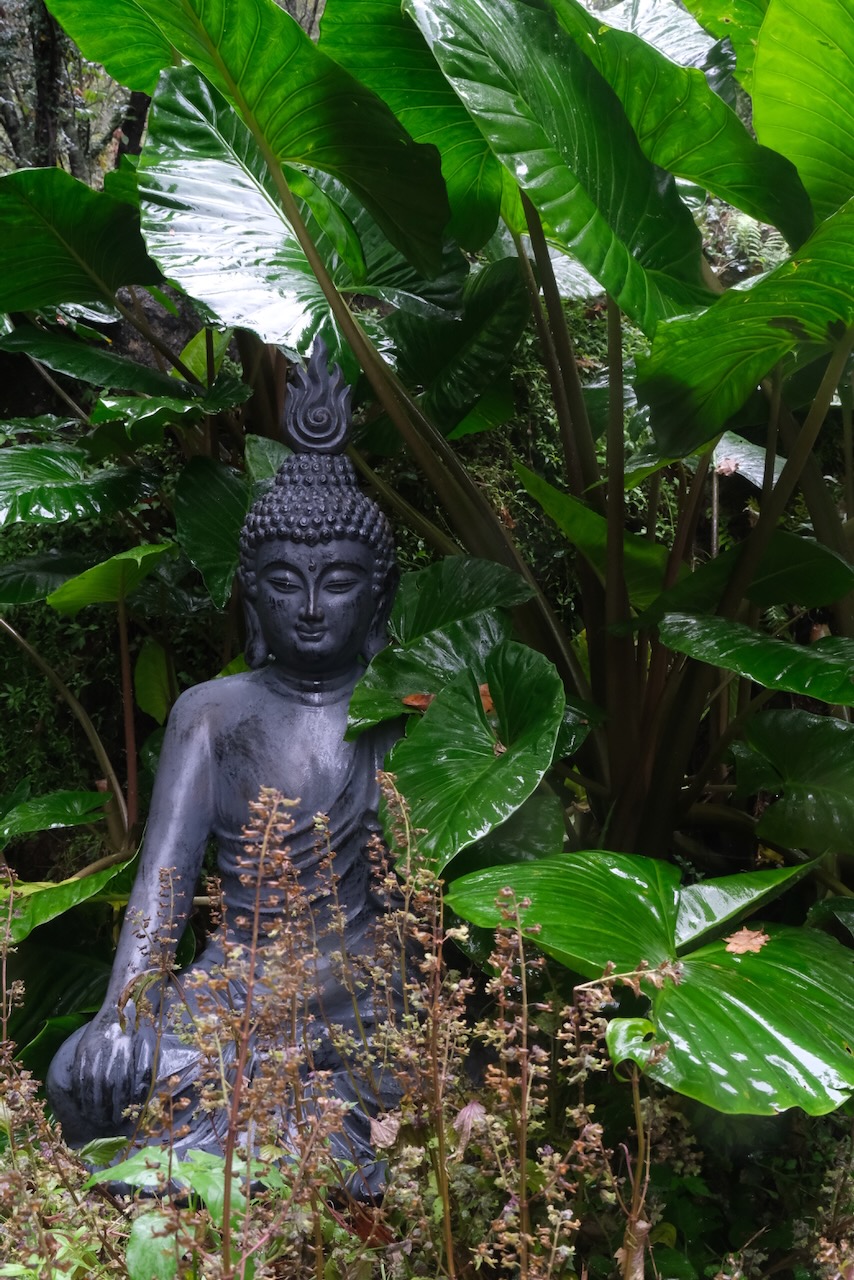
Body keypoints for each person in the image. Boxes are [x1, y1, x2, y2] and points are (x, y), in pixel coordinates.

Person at [46, 342, 400, 1196]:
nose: (311, 608)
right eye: (284, 582)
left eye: (339, 582)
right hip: (235, 981)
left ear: (379, 597)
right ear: (251, 593)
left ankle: (243, 1162)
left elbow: (422, 905)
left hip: (359, 992)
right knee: (78, 1078)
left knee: (402, 1081)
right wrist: (121, 1015)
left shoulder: (409, 709)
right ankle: (266, 1160)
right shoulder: (212, 711)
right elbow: (162, 889)